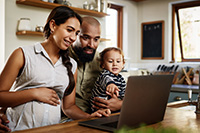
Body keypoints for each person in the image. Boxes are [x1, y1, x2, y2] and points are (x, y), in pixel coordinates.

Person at [0, 6, 110, 131]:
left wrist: (89, 117)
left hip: (52, 130)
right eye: (69, 30)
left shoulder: (72, 65)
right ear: (53, 26)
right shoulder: (23, 54)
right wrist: (34, 93)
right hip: (18, 128)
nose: (73, 37)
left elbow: (68, 107)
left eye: (76, 33)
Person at [68, 17, 124, 114]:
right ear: (75, 35)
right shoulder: (62, 57)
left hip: (100, 116)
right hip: (68, 117)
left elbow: (121, 88)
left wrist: (120, 104)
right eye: (85, 38)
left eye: (96, 39)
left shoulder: (103, 60)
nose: (91, 45)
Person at [90, 47, 126, 113]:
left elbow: (124, 94)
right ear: (103, 64)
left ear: (123, 64)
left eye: (118, 61)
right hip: (99, 108)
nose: (115, 64)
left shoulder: (121, 79)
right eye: (110, 61)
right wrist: (111, 84)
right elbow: (106, 79)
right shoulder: (104, 74)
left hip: (114, 107)